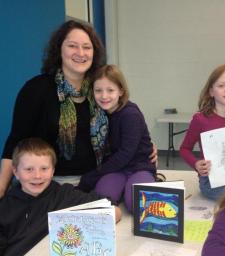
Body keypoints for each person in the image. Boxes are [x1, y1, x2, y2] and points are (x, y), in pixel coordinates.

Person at [0, 20, 157, 198]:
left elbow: (126, 120)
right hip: (48, 184)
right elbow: (14, 142)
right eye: (72, 46)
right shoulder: (36, 89)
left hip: (98, 178)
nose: (80, 53)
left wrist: (144, 148)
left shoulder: (99, 89)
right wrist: (2, 188)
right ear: (59, 49)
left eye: (87, 47)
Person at [0, 138, 122, 256]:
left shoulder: (65, 195)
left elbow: (113, 210)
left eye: (44, 169)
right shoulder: (4, 207)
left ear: (53, 171)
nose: (37, 175)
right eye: (29, 169)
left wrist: (87, 224)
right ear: (15, 172)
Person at [78, 65, 156, 213]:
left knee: (137, 205)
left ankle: (139, 186)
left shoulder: (130, 114)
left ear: (121, 91)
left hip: (138, 167)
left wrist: (95, 174)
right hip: (116, 169)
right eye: (98, 90)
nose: (104, 96)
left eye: (110, 90)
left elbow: (125, 154)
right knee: (101, 202)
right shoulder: (99, 115)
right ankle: (122, 190)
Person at [180, 64, 225, 200]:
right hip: (213, 180)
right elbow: (184, 149)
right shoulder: (200, 119)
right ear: (211, 91)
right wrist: (196, 164)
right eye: (221, 86)